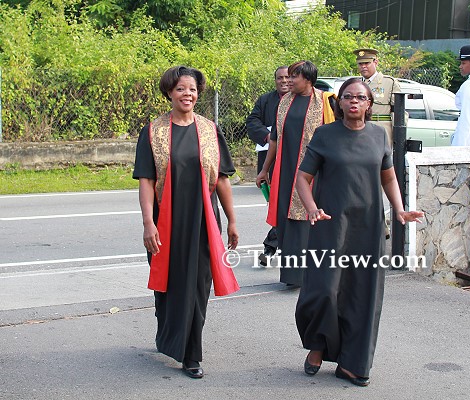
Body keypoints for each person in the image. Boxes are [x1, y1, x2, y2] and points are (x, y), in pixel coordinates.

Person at [294, 78, 423, 386]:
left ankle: (353, 364)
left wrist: (399, 208)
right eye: (348, 97)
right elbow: (302, 178)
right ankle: (318, 344)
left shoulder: (379, 136)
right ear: (339, 103)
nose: (354, 101)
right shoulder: (325, 135)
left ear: (369, 104)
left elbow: (388, 177)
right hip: (330, 224)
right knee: (324, 290)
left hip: (368, 226)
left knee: (362, 294)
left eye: (360, 97)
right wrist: (311, 207)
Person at [133, 65, 239, 379]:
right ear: (169, 92)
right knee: (167, 285)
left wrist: (232, 220)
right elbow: (146, 180)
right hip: (165, 221)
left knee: (197, 286)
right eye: (180, 89)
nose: (187, 94)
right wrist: (148, 224)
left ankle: (191, 354)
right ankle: (168, 336)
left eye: (192, 89)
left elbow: (222, 178)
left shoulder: (210, 130)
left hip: (204, 220)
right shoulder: (152, 131)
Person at [255, 60, 336, 287]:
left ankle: (314, 274)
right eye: (288, 76)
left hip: (315, 172)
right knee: (287, 222)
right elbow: (274, 139)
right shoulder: (284, 102)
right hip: (286, 171)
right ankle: (292, 276)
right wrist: (264, 169)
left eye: (294, 77)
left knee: (309, 221)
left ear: (308, 79)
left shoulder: (326, 102)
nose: (288, 81)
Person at [246, 66, 290, 266]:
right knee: (277, 206)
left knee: (286, 206)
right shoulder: (265, 100)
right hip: (270, 162)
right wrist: (268, 136)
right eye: (280, 78)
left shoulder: (301, 102)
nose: (284, 81)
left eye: (287, 77)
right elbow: (252, 121)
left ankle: (270, 248)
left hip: (293, 162)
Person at [354, 48, 403, 147]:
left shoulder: (389, 82)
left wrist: (398, 137)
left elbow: (399, 112)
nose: (363, 66)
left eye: (367, 63)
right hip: (358, 130)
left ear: (376, 62)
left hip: (380, 128)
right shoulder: (355, 84)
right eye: (360, 64)